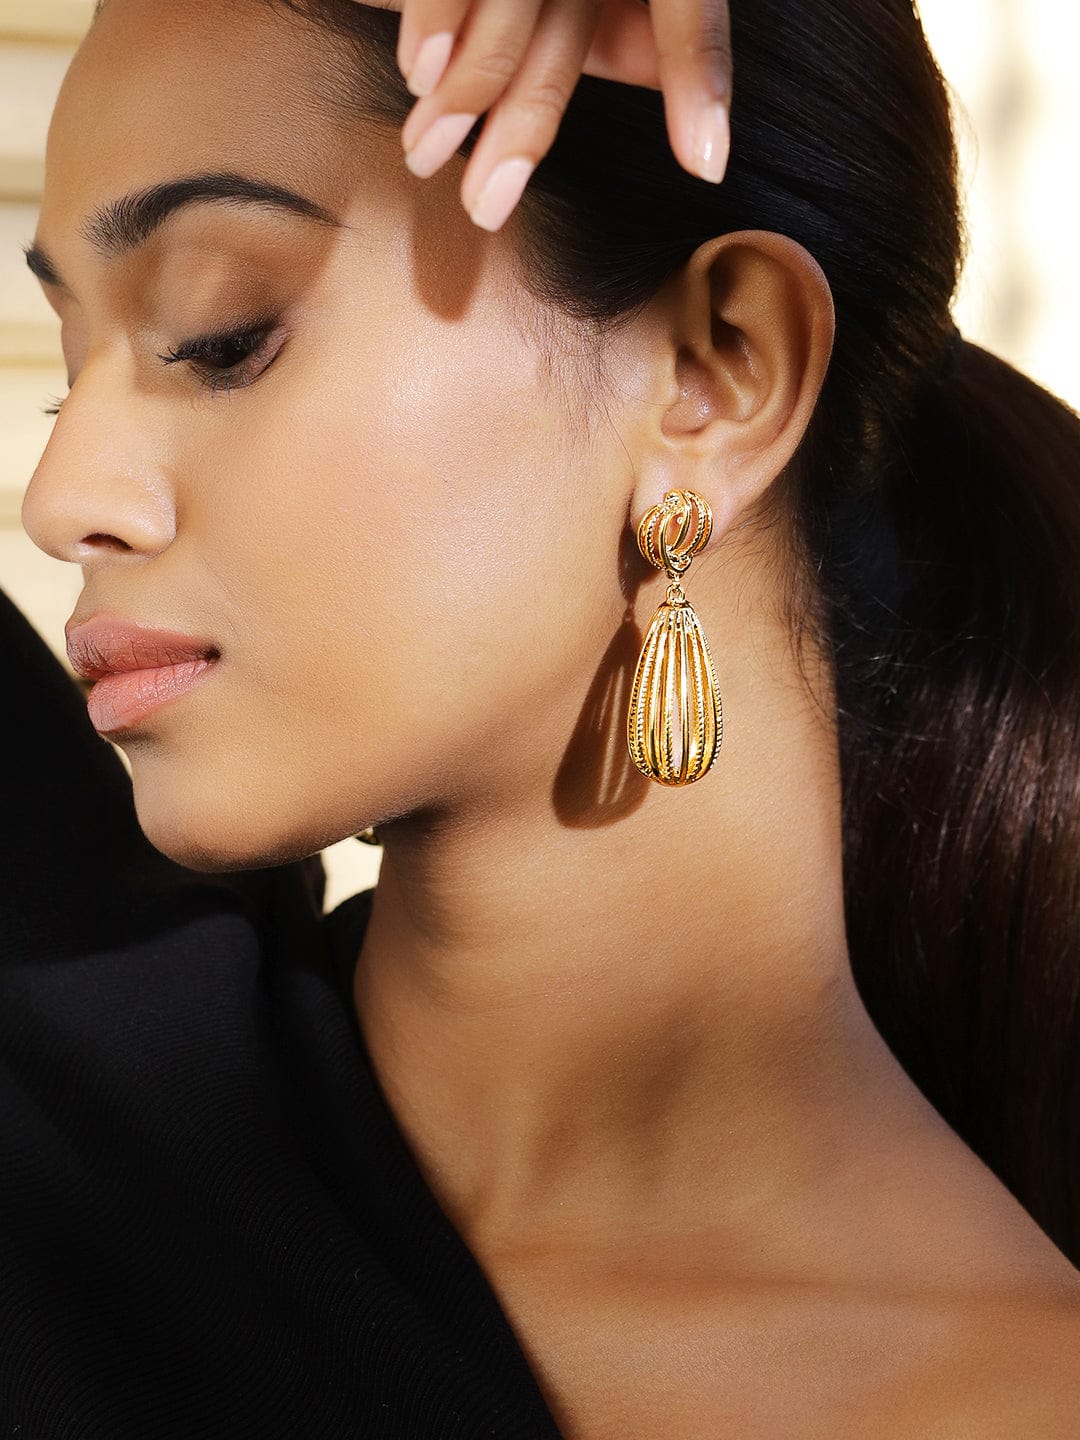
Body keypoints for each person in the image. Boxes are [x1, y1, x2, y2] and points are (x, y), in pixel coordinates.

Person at [11, 0, 1080, 1433]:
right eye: (65, 371)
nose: (64, 499)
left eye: (222, 335)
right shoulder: (63, 1041)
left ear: (715, 371)